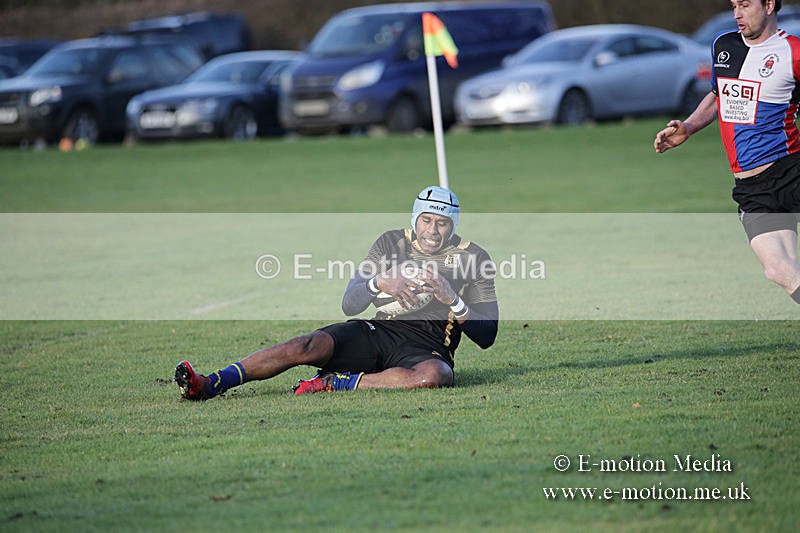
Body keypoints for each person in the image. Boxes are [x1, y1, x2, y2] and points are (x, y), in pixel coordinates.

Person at [174, 185, 499, 399]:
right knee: (306, 345)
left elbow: (487, 335)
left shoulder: (474, 258)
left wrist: (451, 298)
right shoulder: (390, 242)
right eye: (426, 220)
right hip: (377, 331)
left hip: (425, 348)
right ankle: (212, 382)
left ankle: (336, 382)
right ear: (415, 220)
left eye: (441, 223)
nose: (432, 230)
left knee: (435, 375)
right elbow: (350, 303)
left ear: (453, 225)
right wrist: (377, 284)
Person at [654, 0, 800, 304]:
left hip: (791, 169)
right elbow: (717, 94)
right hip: (752, 187)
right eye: (734, 5)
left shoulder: (794, 52)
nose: (737, 14)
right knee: (778, 269)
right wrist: (690, 127)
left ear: (770, 4)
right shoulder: (725, 46)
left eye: (745, 5)